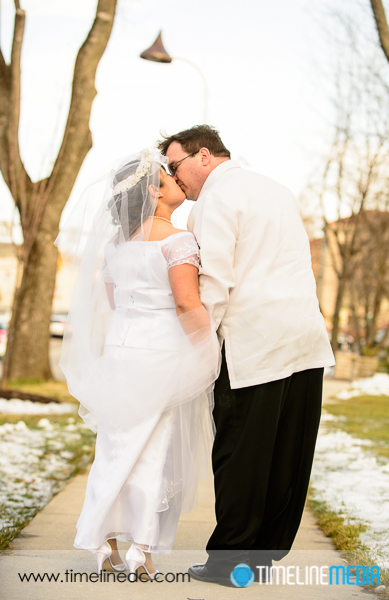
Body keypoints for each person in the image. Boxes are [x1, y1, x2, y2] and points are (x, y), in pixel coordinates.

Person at [158, 125, 336, 587]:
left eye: (176, 168)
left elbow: (214, 282)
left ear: (203, 156)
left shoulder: (216, 198)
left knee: (240, 452)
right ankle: (261, 559)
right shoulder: (275, 188)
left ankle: (227, 564)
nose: (177, 181)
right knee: (286, 453)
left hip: (252, 344)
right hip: (303, 338)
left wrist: (197, 349)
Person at [54, 148, 220, 579]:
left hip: (121, 354)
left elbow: (112, 300)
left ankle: (102, 540)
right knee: (152, 451)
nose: (175, 183)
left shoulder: (115, 246)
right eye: (167, 179)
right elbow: (186, 303)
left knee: (113, 448)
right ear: (154, 191)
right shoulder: (177, 240)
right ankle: (140, 548)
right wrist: (209, 346)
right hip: (162, 354)